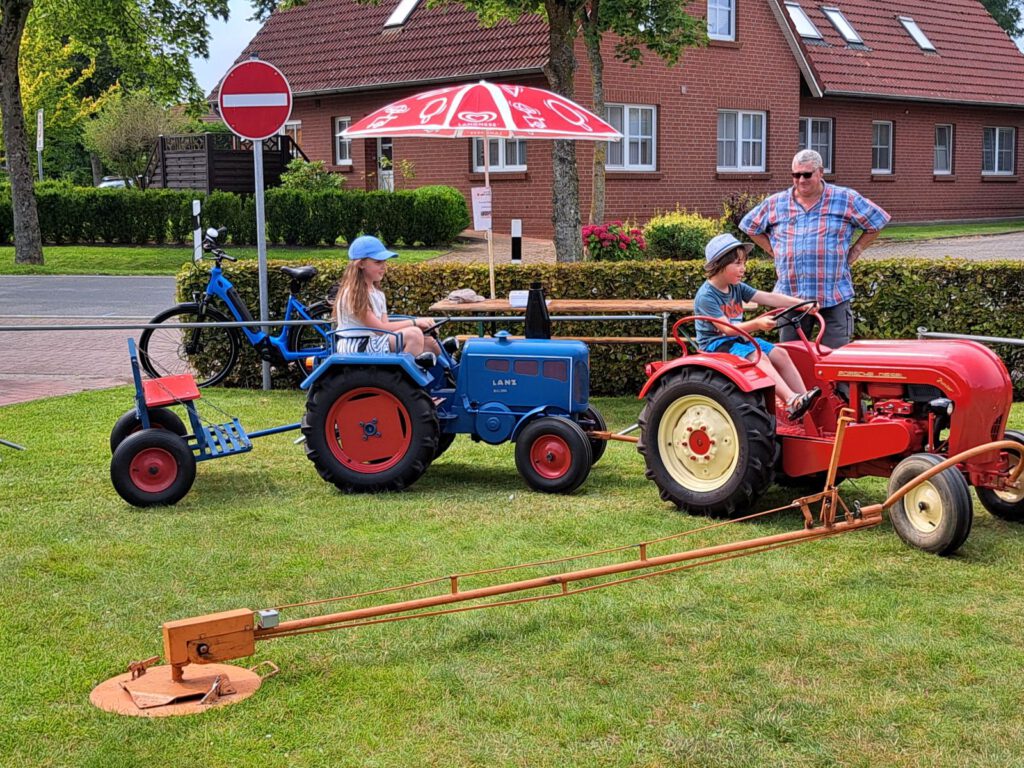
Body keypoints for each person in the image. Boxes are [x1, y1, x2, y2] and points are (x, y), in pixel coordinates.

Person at [739, 149, 890, 348]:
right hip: (791, 297)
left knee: (835, 360)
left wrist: (857, 249)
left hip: (833, 295)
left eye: (807, 174)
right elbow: (749, 226)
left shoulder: (845, 198)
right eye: (796, 175)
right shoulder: (776, 203)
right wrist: (772, 249)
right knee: (793, 359)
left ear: (820, 172)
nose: (801, 179)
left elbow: (877, 221)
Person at [695, 233, 821, 421]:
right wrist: (757, 324)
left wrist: (802, 303)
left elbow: (768, 297)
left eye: (744, 263)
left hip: (737, 339)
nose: (742, 269)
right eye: (737, 264)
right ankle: (791, 399)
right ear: (719, 265)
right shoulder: (707, 296)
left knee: (781, 354)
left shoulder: (736, 287)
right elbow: (727, 329)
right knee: (758, 357)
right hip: (716, 343)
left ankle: (804, 400)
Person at [334, 235, 440, 362]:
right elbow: (379, 329)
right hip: (357, 345)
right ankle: (403, 380)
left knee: (429, 344)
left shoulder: (377, 293)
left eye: (385, 262)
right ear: (361, 264)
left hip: (374, 342)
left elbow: (385, 327)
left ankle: (446, 377)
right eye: (378, 262)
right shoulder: (353, 293)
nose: (384, 266)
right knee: (413, 335)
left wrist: (424, 326)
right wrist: (415, 322)